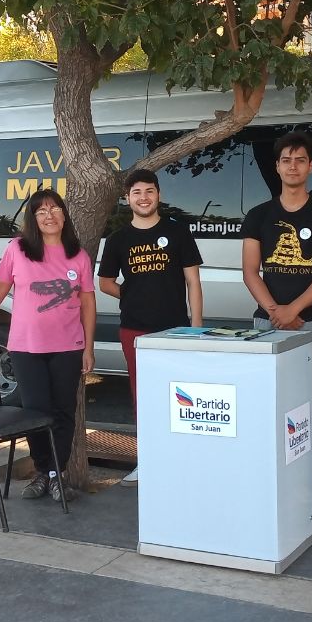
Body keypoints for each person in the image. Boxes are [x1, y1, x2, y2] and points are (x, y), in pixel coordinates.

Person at [0, 189, 96, 504]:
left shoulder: (78, 256)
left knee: (64, 412)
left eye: (54, 209)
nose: (49, 215)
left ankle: (56, 474)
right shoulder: (17, 249)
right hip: (26, 347)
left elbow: (87, 302)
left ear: (64, 215)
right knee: (35, 412)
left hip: (68, 346)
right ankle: (43, 471)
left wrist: (89, 348)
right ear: (33, 218)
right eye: (41, 211)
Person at [242, 131, 312, 516]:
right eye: (286, 160)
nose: (293, 166)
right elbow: (250, 271)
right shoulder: (259, 215)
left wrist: (294, 310)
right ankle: (266, 476)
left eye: (300, 160)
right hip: (265, 324)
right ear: (277, 167)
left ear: (311, 167)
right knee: (264, 402)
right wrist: (274, 310)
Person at [98, 169, 203, 483]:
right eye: (137, 192)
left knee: (180, 397)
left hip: (175, 331)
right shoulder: (118, 239)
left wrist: (196, 327)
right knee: (142, 398)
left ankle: (183, 460)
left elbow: (193, 283)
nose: (143, 198)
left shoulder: (178, 232)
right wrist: (133, 295)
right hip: (134, 330)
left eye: (149, 191)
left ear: (158, 195)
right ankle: (148, 462)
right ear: (127, 198)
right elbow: (105, 283)